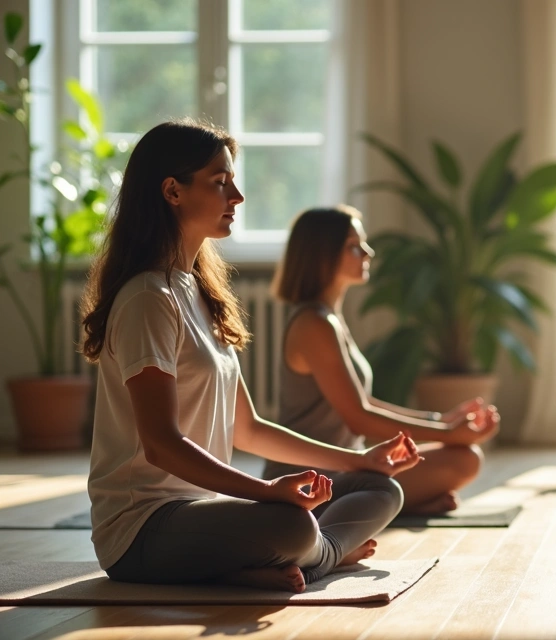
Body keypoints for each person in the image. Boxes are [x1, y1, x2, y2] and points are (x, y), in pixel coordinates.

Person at [79, 120, 419, 593]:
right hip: (144, 530)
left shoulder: (199, 292)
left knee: (380, 488)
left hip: (206, 514)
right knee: (294, 525)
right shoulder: (147, 298)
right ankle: (327, 553)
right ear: (172, 192)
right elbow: (160, 444)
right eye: (220, 183)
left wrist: (360, 461)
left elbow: (249, 430)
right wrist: (265, 492)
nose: (236, 196)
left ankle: (300, 559)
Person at [266, 205, 499, 515]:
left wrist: (441, 421)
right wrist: (446, 434)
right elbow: (358, 417)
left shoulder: (328, 318)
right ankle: (382, 507)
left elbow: (363, 402)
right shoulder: (314, 324)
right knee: (464, 458)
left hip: (350, 461)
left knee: (464, 456)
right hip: (313, 479)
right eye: (354, 246)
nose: (368, 252)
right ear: (321, 255)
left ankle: (391, 505)